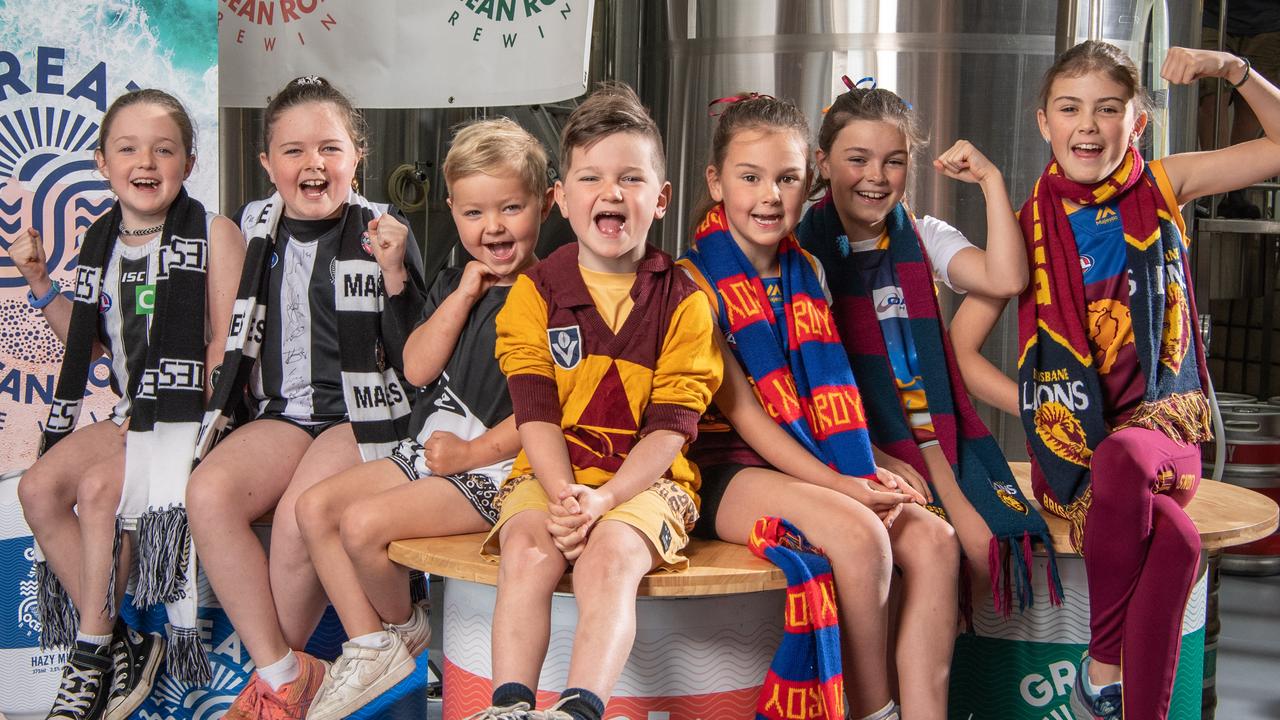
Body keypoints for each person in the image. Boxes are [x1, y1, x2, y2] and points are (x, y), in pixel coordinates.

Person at [951, 42, 1280, 720]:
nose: (1089, 126)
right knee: (1178, 542)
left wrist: (1231, 70)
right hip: (1072, 457)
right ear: (1044, 123)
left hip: (1166, 435)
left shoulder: (1162, 187)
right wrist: (1036, 405)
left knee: (1125, 453)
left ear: (1138, 123)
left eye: (1108, 109)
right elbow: (961, 351)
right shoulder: (1028, 227)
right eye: (1070, 109)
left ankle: (1099, 669)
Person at [677, 92, 952, 720]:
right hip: (726, 468)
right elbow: (746, 416)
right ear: (717, 183)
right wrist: (845, 485)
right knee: (861, 538)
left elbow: (825, 397)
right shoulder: (691, 285)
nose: (770, 196)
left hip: (812, 458)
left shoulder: (809, 271)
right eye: (750, 178)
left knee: (933, 541)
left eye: (787, 179)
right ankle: (872, 710)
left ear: (811, 183)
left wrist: (872, 459)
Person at [468, 82, 722, 720]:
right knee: (526, 550)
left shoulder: (686, 299)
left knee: (610, 556)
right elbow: (536, 413)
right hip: (553, 475)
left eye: (631, 178)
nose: (611, 192)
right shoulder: (533, 293)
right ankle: (509, 706)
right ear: (561, 198)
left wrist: (605, 501)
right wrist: (562, 497)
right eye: (591, 178)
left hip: (647, 484)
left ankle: (578, 710)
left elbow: (670, 430)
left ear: (659, 200)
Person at [183, 75, 426, 719]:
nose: (312, 163)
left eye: (329, 148)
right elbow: (227, 333)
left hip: (362, 413)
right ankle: (285, 672)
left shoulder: (384, 230)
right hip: (283, 412)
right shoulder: (252, 229)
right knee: (207, 491)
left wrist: (397, 274)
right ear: (267, 164)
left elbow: (417, 359)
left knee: (298, 516)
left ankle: (276, 690)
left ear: (356, 158)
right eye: (293, 151)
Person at [296, 117, 553, 720]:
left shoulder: (554, 290)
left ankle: (402, 631)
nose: (493, 227)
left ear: (544, 202)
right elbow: (415, 367)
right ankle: (379, 640)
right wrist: (464, 292)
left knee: (361, 527)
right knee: (314, 509)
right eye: (474, 213)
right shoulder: (453, 280)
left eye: (511, 207)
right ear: (452, 210)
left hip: (494, 471)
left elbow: (548, 412)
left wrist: (470, 456)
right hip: (432, 448)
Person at [9, 89, 244, 720]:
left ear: (188, 163)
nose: (147, 160)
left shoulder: (214, 232)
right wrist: (39, 283)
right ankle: (124, 642)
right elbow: (84, 352)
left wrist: (183, 425)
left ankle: (88, 654)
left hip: (191, 420)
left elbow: (229, 343)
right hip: (130, 411)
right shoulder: (100, 239)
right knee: (36, 491)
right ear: (102, 162)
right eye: (129, 148)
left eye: (164, 149)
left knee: (97, 488)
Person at [794, 81, 1053, 612]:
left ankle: (954, 677)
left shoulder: (923, 235)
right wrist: (876, 453)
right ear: (822, 162)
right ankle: (899, 686)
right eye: (857, 159)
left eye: (893, 161)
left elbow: (1005, 277)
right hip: (855, 441)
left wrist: (990, 180)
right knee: (918, 556)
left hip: (935, 431)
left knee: (984, 547)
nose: (875, 176)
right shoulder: (802, 254)